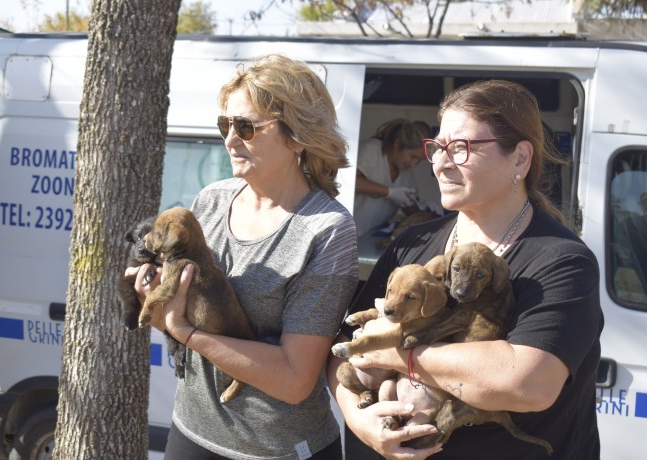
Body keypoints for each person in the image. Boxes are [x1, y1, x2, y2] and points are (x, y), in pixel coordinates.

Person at [328, 79, 603, 459]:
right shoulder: (412, 244)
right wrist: (359, 421)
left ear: (520, 159)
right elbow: (342, 347)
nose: (440, 163)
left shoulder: (562, 261)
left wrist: (394, 353)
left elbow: (526, 383)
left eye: (460, 148)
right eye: (438, 147)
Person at [129, 54, 359, 459]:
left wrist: (182, 330)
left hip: (279, 449)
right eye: (226, 124)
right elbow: (190, 309)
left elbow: (293, 379)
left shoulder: (327, 231)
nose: (230, 139)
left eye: (247, 127)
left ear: (297, 135)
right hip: (191, 432)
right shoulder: (211, 201)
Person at [353, 118, 432, 236]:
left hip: (368, 239)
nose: (413, 165)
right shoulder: (372, 150)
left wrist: (422, 209)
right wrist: (389, 192)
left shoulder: (406, 171)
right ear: (397, 144)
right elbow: (352, 182)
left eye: (419, 160)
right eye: (413, 156)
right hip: (346, 236)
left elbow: (408, 206)